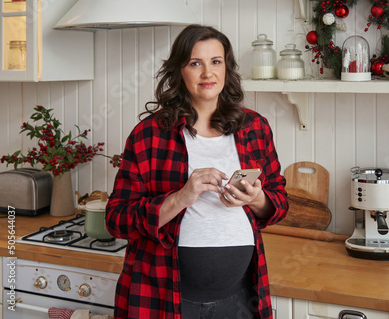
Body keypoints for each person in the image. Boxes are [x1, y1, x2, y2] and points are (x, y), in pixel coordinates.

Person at [106, 24, 288, 319]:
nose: (208, 74)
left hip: (241, 297)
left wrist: (255, 199)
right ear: (179, 71)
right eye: (195, 63)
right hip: (165, 297)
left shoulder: (254, 127)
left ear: (226, 69)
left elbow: (279, 201)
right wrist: (180, 197)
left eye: (216, 62)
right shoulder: (149, 135)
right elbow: (116, 220)